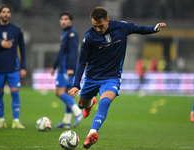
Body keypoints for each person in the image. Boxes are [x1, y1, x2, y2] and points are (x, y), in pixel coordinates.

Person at [68, 7, 166, 149]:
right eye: (95, 26)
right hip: (92, 78)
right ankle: (89, 104)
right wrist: (76, 85)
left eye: (100, 26)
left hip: (111, 77)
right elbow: (82, 62)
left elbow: (138, 28)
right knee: (81, 104)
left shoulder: (121, 27)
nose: (98, 29)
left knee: (105, 102)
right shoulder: (89, 38)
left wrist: (154, 28)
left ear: (107, 20)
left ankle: (92, 133)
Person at [0, 5, 26, 129]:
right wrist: (0, 45)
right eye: (4, 12)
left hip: (13, 68)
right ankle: (1, 121)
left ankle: (16, 121)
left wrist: (23, 67)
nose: (6, 14)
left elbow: (23, 49)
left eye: (8, 12)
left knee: (15, 94)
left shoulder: (16, 29)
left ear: (10, 14)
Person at [50, 11, 83, 128]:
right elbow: (61, 52)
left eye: (66, 19)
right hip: (62, 67)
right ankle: (66, 121)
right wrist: (54, 66)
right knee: (67, 93)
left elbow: (73, 51)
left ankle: (78, 112)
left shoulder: (71, 33)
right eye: (62, 19)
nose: (63, 21)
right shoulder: (65, 33)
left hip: (65, 68)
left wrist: (70, 67)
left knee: (59, 93)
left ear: (70, 21)